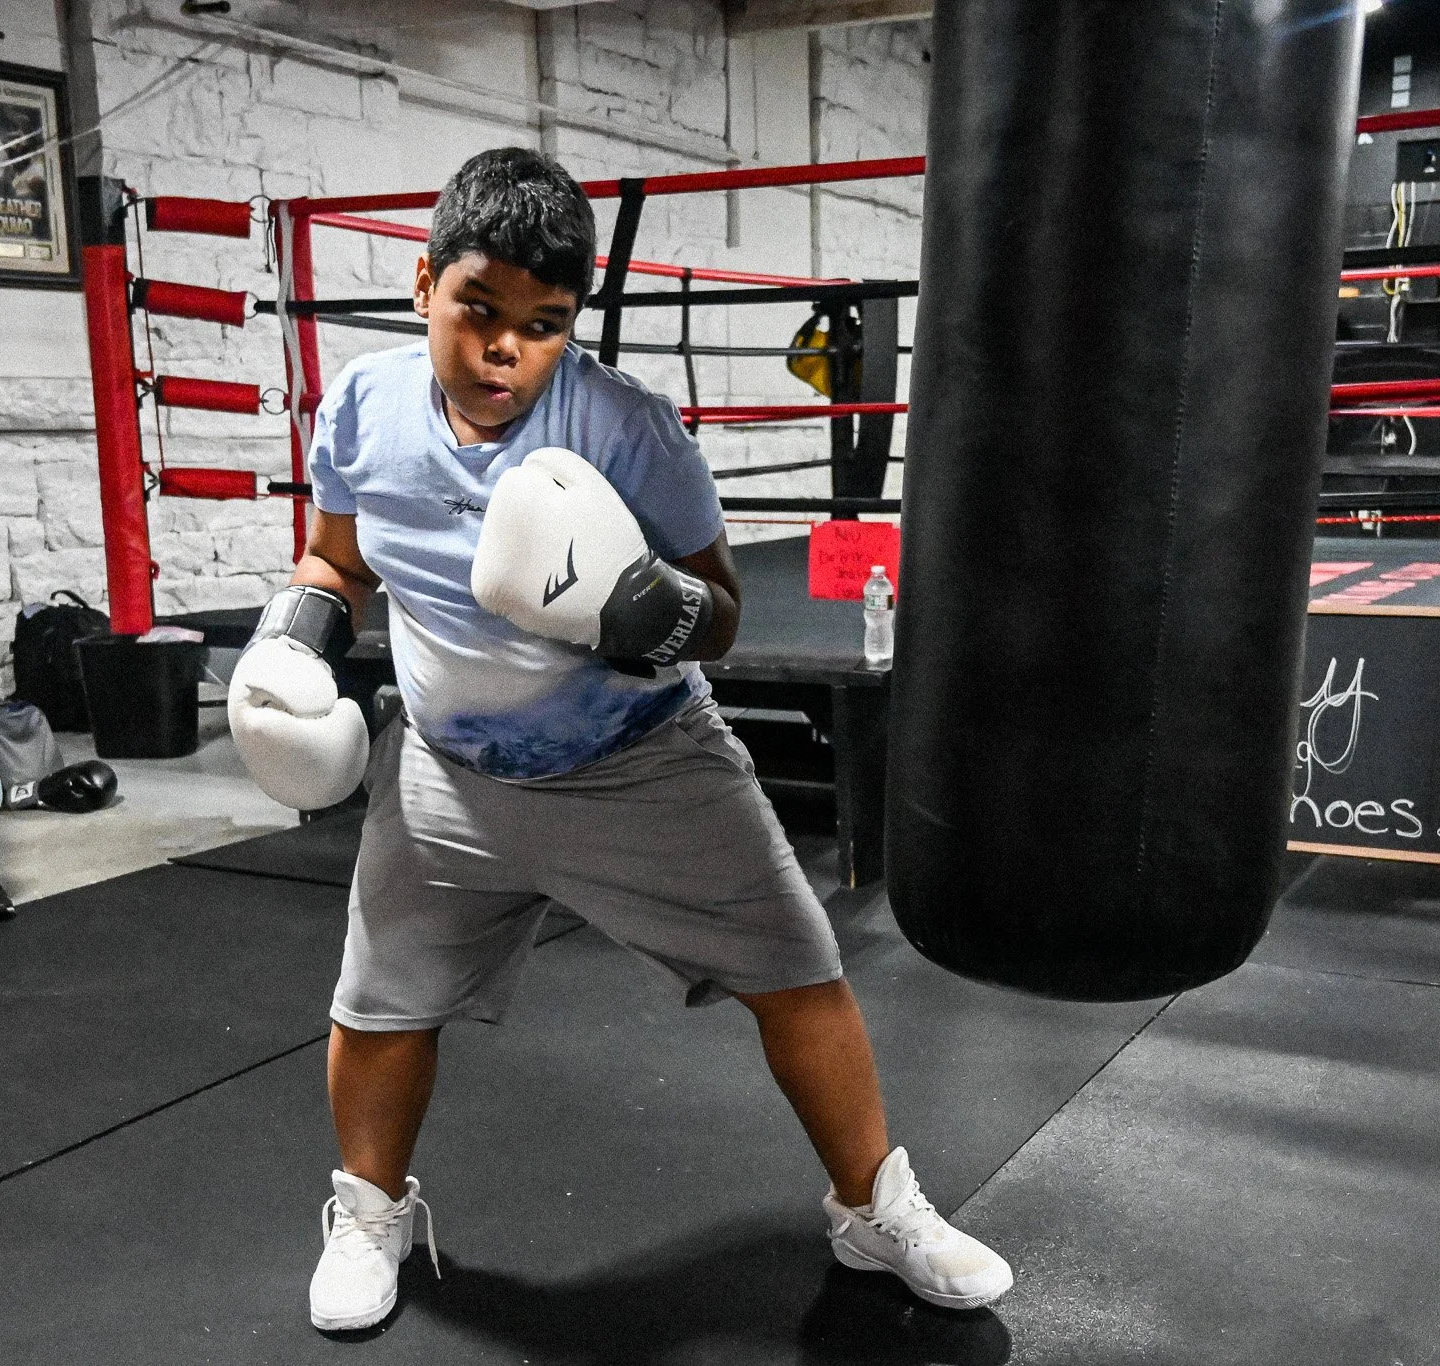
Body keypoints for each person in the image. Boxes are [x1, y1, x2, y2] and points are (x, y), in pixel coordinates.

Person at [224, 147, 1012, 1334]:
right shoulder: (362, 408)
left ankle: (873, 1208)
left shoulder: (628, 428)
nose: (504, 352)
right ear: (423, 282)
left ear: (570, 326)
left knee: (800, 970)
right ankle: (368, 1210)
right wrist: (291, 642)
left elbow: (725, 609)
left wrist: (643, 610)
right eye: (478, 311)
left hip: (640, 763)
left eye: (540, 328)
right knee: (376, 1005)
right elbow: (333, 559)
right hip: (445, 770)